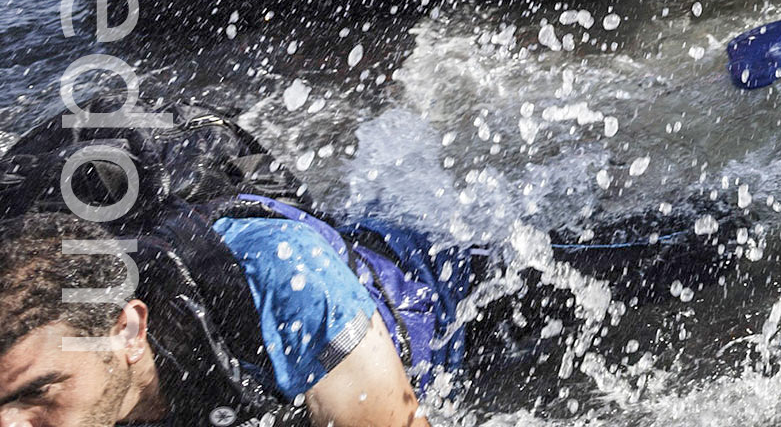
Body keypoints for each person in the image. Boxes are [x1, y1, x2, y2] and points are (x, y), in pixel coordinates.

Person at [0, 101, 740, 427]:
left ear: (129, 330)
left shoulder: (277, 282)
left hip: (453, 303)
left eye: (41, 389)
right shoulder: (70, 380)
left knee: (700, 251)